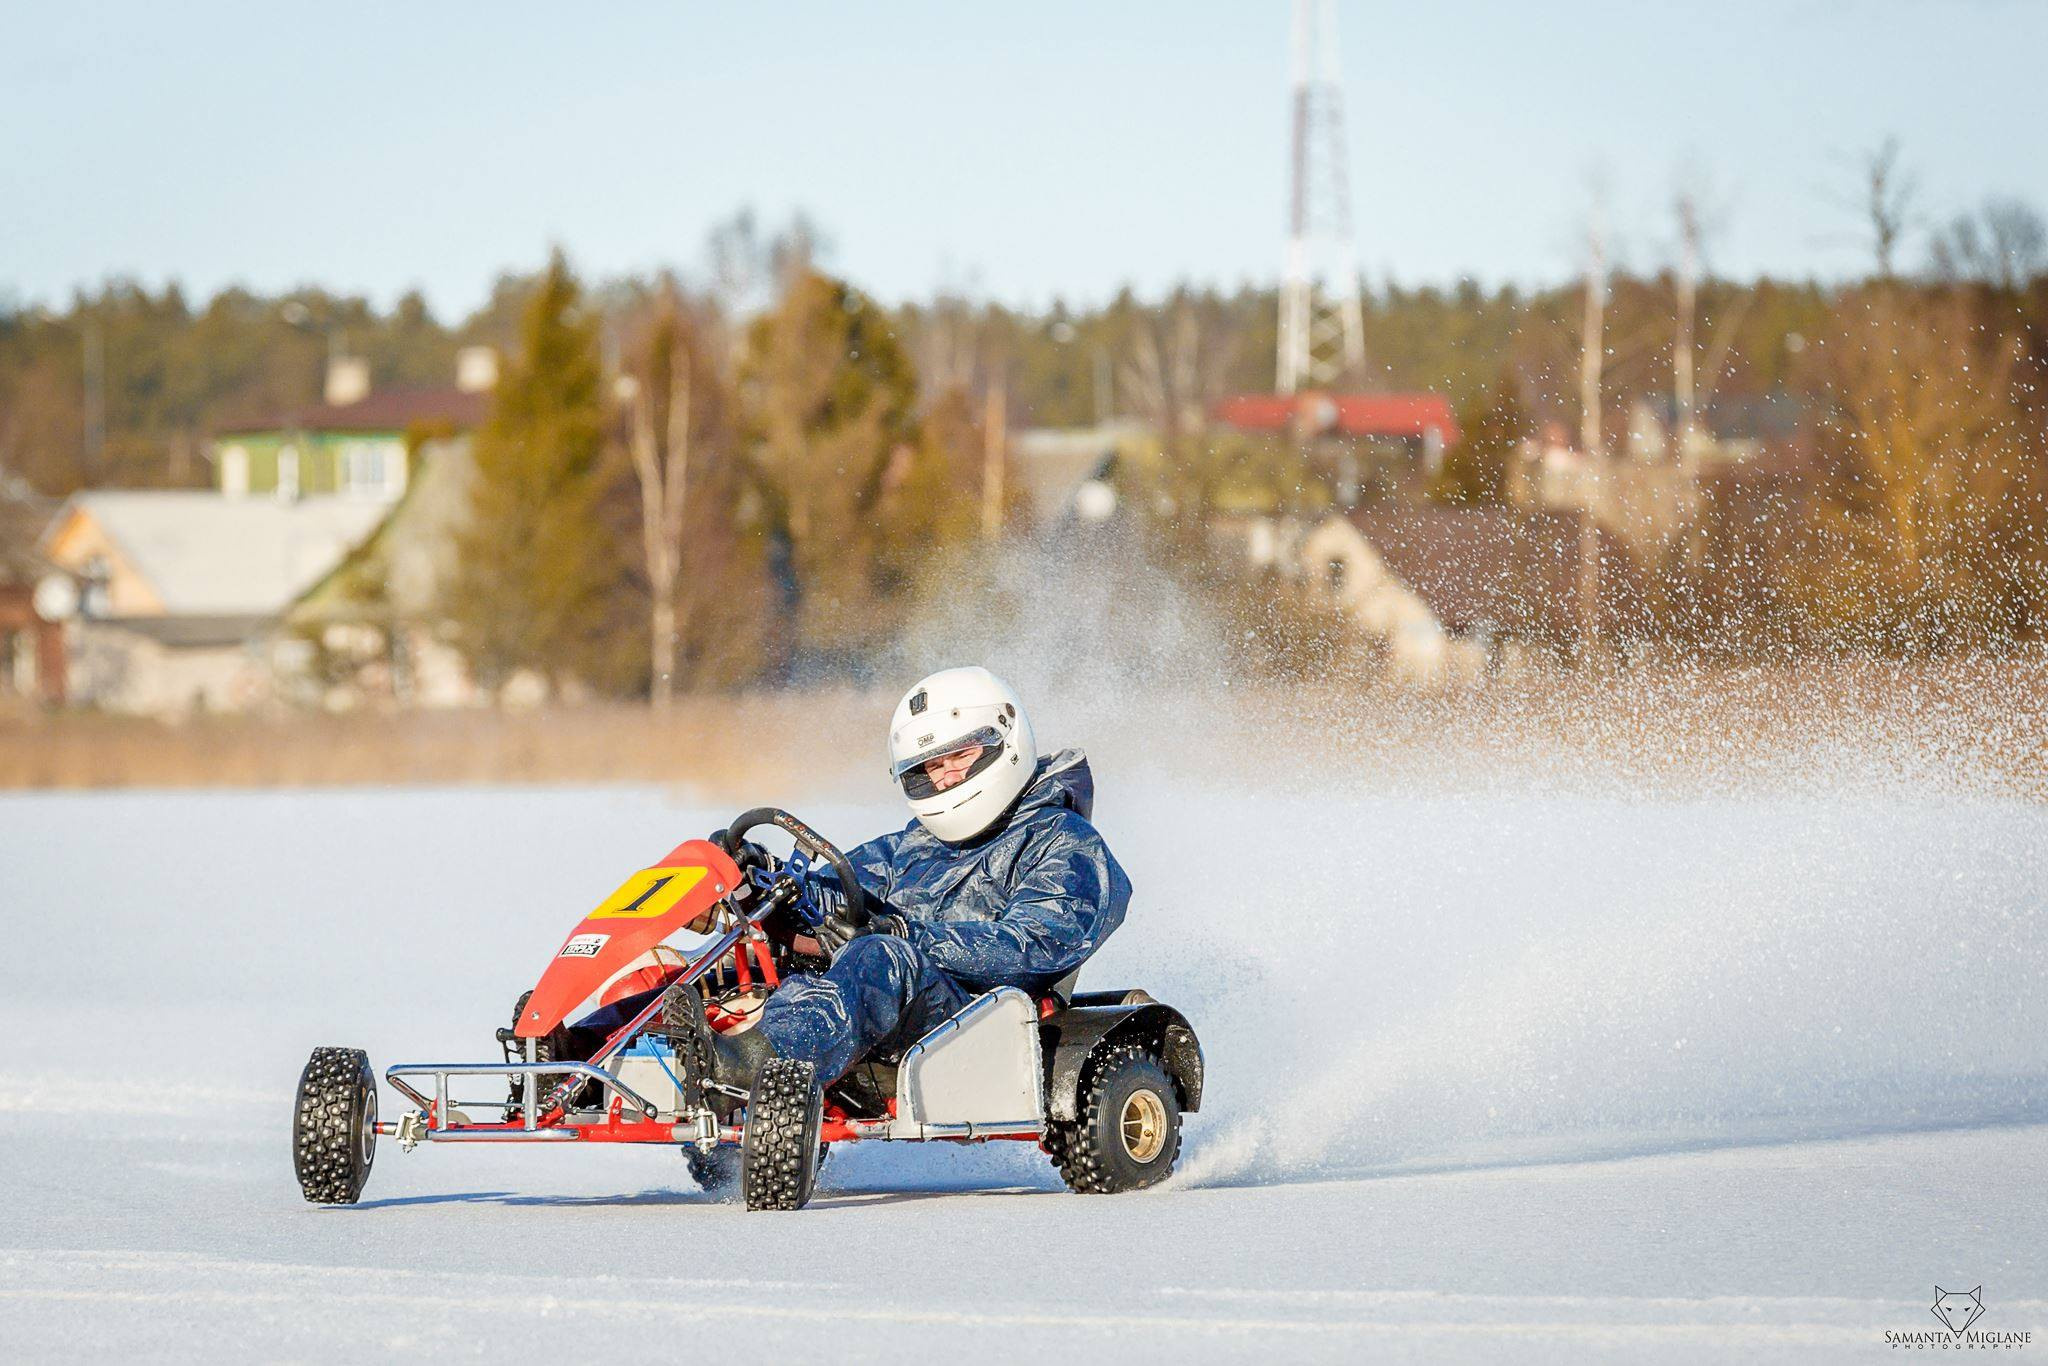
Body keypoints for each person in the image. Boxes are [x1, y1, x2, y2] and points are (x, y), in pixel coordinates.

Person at [675, 665, 1130, 1091]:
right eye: (931, 767)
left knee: (882, 955)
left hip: (976, 1022)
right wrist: (761, 875)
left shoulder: (1064, 840)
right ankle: (619, 1046)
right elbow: (837, 896)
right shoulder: (908, 847)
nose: (946, 778)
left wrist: (908, 936)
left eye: (960, 757)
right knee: (737, 957)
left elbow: (1039, 944)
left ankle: (752, 1069)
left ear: (1002, 743)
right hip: (884, 1003)